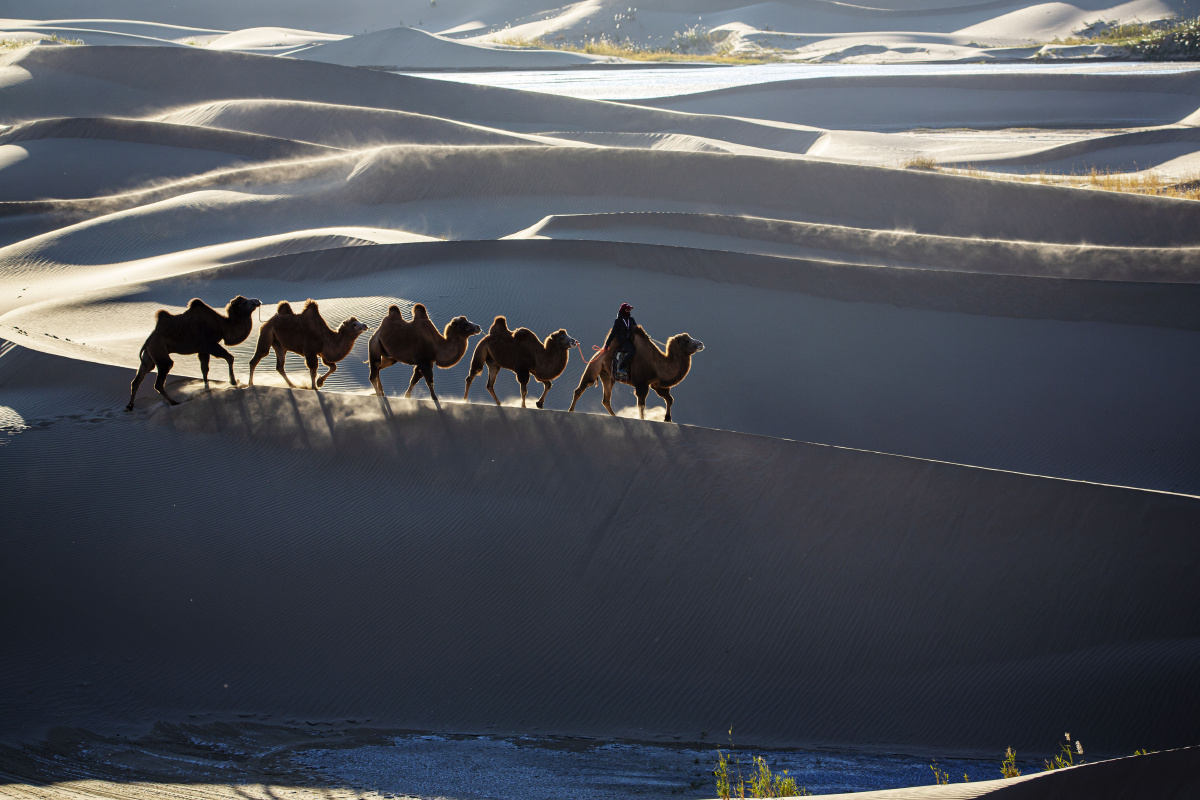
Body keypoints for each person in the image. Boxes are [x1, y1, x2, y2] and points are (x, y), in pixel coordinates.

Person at [604, 303, 636, 381]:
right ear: (623, 310)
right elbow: (613, 333)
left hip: (631, 340)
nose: (629, 311)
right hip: (623, 342)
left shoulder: (631, 319)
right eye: (627, 309)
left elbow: (636, 329)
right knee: (632, 351)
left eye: (630, 309)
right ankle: (621, 367)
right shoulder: (618, 321)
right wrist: (607, 344)